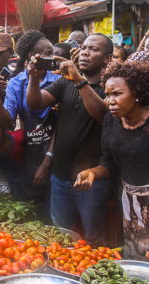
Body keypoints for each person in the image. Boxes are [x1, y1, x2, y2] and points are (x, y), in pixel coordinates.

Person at [74, 61, 149, 259]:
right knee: (137, 260)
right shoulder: (111, 121)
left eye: (117, 94)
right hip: (130, 203)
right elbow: (108, 163)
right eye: (107, 94)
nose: (109, 100)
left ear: (137, 93)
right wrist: (92, 172)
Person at [25, 34, 112, 245]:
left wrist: (80, 82)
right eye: (84, 48)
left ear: (107, 59)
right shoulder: (65, 82)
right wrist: (34, 80)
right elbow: (35, 103)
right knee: (62, 238)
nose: (85, 53)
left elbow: (102, 115)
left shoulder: (110, 87)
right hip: (60, 177)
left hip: (91, 180)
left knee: (92, 239)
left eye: (94, 49)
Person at [0, 30, 59, 219]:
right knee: (32, 212)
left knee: (54, 214)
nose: (50, 57)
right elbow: (6, 123)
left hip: (57, 154)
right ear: (31, 56)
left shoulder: (59, 79)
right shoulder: (16, 83)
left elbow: (62, 125)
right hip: (32, 152)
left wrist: (47, 162)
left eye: (51, 52)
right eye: (46, 53)